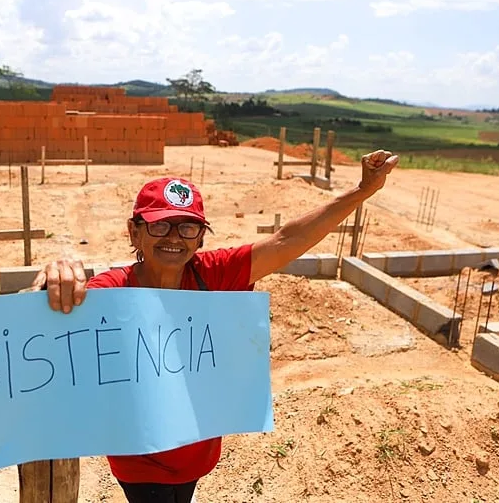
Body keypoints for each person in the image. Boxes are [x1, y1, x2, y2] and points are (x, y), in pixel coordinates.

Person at [29, 149, 398, 503]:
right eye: (160, 225)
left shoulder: (216, 275)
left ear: (201, 237)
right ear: (135, 232)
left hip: (197, 456)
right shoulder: (114, 291)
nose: (174, 238)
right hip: (139, 460)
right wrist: (55, 280)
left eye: (187, 227)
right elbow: (56, 316)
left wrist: (362, 191)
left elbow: (287, 240)